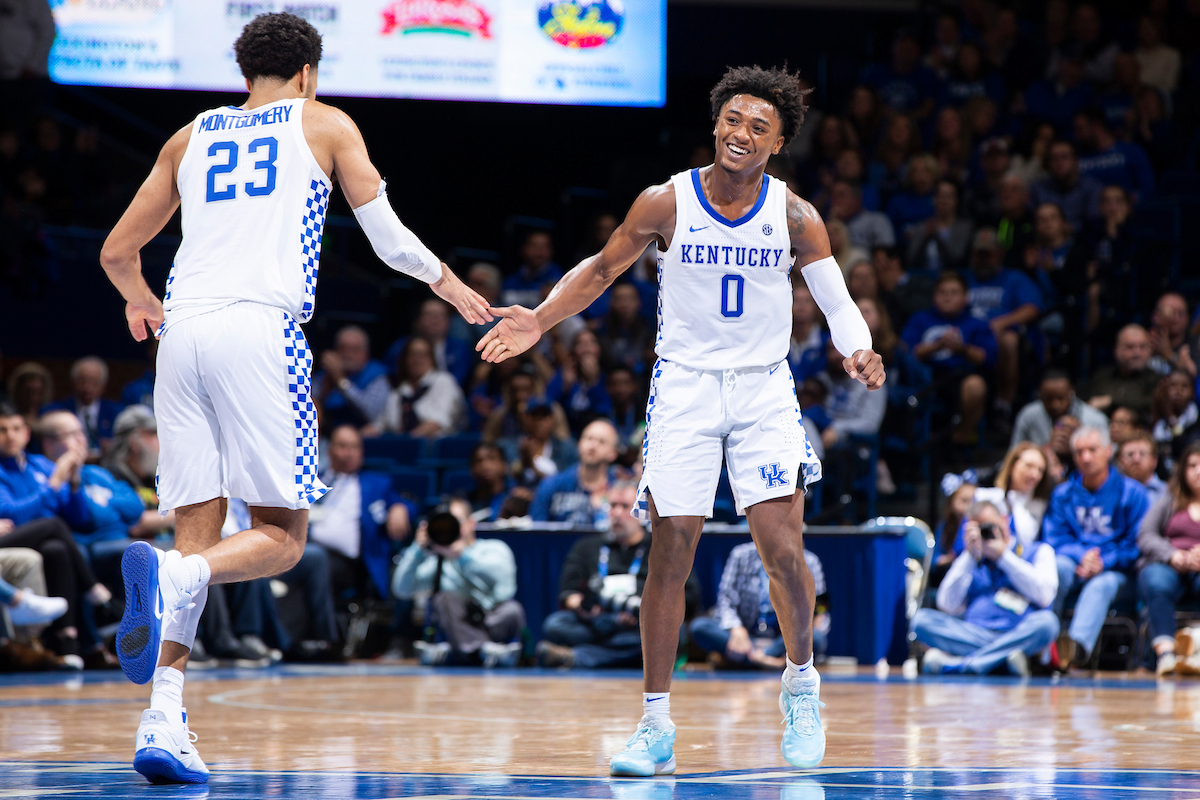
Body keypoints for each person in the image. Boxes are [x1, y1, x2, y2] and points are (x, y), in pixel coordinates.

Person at [97, 13, 490, 785]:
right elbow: (386, 239)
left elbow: (117, 251)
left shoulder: (189, 135)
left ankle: (163, 717)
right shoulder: (324, 122)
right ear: (309, 71)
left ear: (245, 75)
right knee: (281, 536)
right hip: (259, 330)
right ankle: (179, 582)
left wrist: (140, 300)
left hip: (181, 336)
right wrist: (451, 285)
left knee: (197, 535)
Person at [478, 65, 884, 776]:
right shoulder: (666, 200)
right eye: (733, 119)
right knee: (671, 551)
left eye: (759, 126)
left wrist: (858, 349)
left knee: (781, 547)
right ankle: (655, 723)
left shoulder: (796, 215)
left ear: (779, 142)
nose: (742, 133)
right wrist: (540, 321)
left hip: (761, 390)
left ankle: (800, 685)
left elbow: (836, 297)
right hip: (685, 389)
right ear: (716, 123)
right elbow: (601, 269)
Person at [537, 481, 701, 669]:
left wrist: (647, 609)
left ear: (642, 510)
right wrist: (587, 611)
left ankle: (579, 657)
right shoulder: (586, 547)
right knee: (555, 625)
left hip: (642, 623)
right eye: (612, 506)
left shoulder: (662, 548)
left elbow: (689, 595)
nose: (616, 513)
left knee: (671, 632)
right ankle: (615, 654)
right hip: (597, 622)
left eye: (625, 507)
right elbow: (568, 594)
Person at [1043, 426, 1149, 670]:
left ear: (1109, 451)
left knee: (1100, 585)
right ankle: (1042, 648)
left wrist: (1104, 562)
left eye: (1092, 450)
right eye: (1080, 452)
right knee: (1055, 569)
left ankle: (1075, 653)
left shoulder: (1133, 493)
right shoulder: (1063, 494)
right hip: (1075, 562)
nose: (1086, 457)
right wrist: (1082, 556)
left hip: (1119, 572)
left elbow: (1138, 544)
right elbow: (1054, 538)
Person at [915, 500, 1059, 676]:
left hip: (1018, 632)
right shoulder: (970, 560)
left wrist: (1002, 556)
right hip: (975, 634)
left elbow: (1045, 595)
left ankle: (963, 664)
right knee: (921, 621)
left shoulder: (1038, 551)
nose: (985, 533)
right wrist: (969, 555)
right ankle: (1000, 661)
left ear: (1005, 520)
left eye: (989, 526)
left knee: (1048, 623)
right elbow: (947, 604)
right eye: (977, 530)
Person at [392, 497, 524, 668]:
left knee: (512, 610)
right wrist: (417, 549)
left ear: (471, 523)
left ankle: (458, 652)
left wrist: (463, 556)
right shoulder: (438, 561)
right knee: (444, 599)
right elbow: (402, 589)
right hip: (458, 622)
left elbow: (505, 590)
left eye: (455, 521)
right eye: (445, 523)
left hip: (491, 620)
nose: (450, 527)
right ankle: (484, 652)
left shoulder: (494, 548)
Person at [689, 542, 828, 669]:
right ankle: (771, 662)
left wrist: (808, 631)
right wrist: (736, 628)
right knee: (699, 627)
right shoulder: (740, 555)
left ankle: (748, 659)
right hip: (745, 637)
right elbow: (725, 600)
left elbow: (821, 608)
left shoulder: (810, 560)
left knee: (816, 638)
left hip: (783, 640)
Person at [902, 272, 995, 446]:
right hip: (926, 379)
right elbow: (907, 352)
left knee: (976, 386)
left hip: (961, 376)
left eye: (953, 293)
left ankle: (961, 437)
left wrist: (961, 348)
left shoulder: (976, 323)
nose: (947, 298)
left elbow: (987, 358)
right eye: (942, 293)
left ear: (965, 297)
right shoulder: (920, 319)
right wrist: (937, 346)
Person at [1137, 442, 1200, 676]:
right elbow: (1146, 534)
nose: (1198, 470)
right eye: (1192, 465)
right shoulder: (1170, 498)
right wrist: (1174, 555)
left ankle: (1196, 651)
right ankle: (1166, 655)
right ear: (1183, 470)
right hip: (1169, 564)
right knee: (1156, 580)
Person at [529, 419, 622, 526]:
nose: (593, 446)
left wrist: (602, 508)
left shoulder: (617, 490)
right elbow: (536, 529)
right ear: (579, 443)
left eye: (601, 441)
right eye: (589, 438)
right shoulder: (552, 484)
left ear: (613, 453)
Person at [375, 336, 466, 438]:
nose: (418, 360)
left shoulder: (443, 381)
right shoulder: (399, 392)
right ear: (405, 360)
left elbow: (438, 423)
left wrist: (407, 443)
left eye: (423, 355)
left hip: (437, 448)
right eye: (413, 354)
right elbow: (380, 424)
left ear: (432, 358)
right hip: (403, 447)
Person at [41, 357, 124, 460]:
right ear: (73, 382)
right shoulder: (56, 411)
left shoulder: (117, 412)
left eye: (94, 382)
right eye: (82, 381)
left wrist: (112, 447)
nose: (87, 388)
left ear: (103, 385)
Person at [976, 442, 1056, 549]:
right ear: (1012, 466)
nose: (1035, 475)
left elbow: (1027, 540)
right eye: (1029, 466)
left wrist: (1014, 501)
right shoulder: (985, 496)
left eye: (1040, 470)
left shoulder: (1041, 505)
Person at [313, 325, 390, 431]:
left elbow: (371, 413)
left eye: (355, 349)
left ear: (366, 353)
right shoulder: (325, 374)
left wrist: (341, 381)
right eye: (343, 348)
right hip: (326, 435)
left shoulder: (377, 375)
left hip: (360, 438)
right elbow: (310, 409)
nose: (348, 354)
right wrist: (326, 387)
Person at [385, 298, 476, 387]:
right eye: (429, 314)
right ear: (418, 320)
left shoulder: (460, 348)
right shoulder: (402, 346)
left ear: (449, 321)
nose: (435, 320)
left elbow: (458, 381)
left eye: (441, 315)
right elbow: (391, 376)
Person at [1074, 107, 1155, 205]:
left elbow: (1148, 188)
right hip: (1091, 214)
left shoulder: (1131, 151)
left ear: (1096, 125)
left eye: (1080, 129)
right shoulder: (1078, 158)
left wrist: (1128, 201)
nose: (1077, 135)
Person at [1011, 369, 1109, 450]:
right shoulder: (1028, 416)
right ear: (1040, 395)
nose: (1055, 405)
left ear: (1071, 392)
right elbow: (1014, 453)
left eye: (1061, 398)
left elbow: (1106, 458)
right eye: (1049, 399)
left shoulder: (1095, 420)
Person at [1082, 324, 1160, 418]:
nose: (1137, 353)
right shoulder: (1102, 377)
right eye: (1130, 347)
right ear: (1117, 350)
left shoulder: (1157, 380)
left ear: (1150, 350)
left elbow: (1149, 404)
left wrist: (1111, 401)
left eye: (1142, 347)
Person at [1030, 141, 1102, 232]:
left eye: (1064, 157)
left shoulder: (1091, 187)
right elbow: (1031, 222)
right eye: (1054, 158)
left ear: (1076, 160)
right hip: (1046, 241)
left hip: (1083, 240)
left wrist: (1068, 229)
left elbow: (1094, 222)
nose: (1059, 162)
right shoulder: (1039, 188)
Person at [501, 230, 564, 308]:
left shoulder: (560, 279)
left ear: (551, 250)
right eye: (534, 245)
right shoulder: (511, 280)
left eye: (545, 246)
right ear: (523, 248)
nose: (540, 251)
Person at [1117, 432, 1168, 503]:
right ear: (1120, 461)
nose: (1136, 459)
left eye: (1142, 454)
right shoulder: (1112, 492)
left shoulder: (1168, 493)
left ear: (1154, 460)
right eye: (1130, 454)